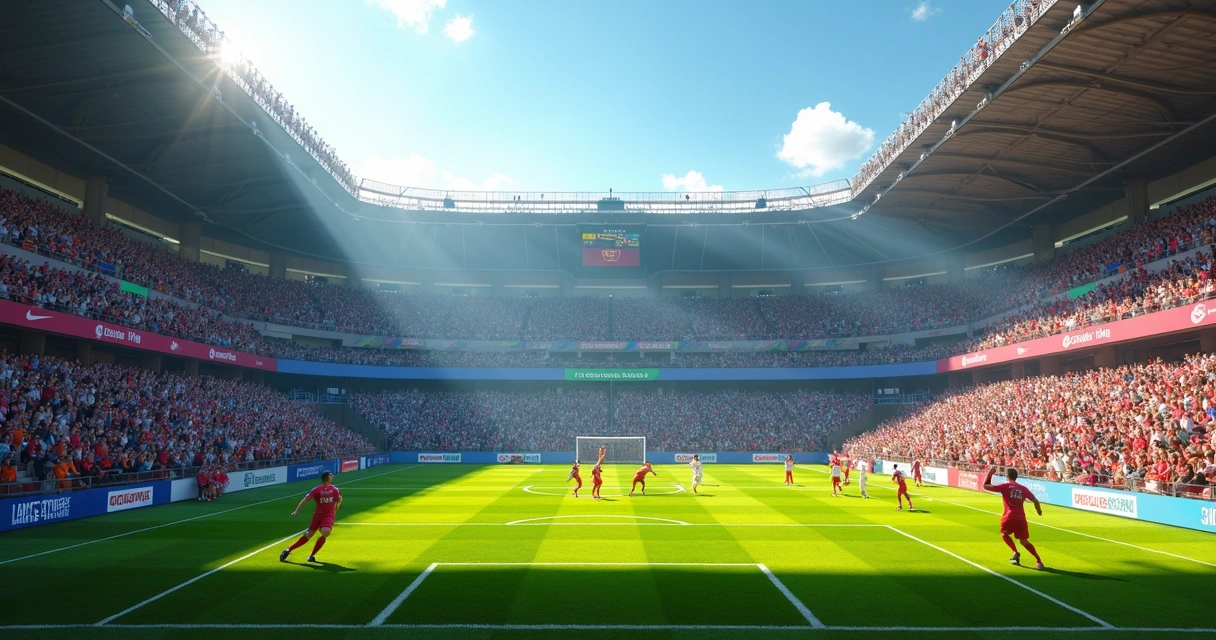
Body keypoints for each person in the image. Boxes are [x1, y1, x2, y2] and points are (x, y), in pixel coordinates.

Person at [983, 467, 1044, 569]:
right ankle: (1039, 561)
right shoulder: (1023, 488)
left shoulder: (1005, 486)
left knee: (1004, 534)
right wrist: (1039, 511)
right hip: (1021, 518)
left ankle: (1015, 552)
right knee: (1024, 541)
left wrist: (990, 474)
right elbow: (1035, 500)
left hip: (1009, 516)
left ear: (1007, 476)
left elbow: (986, 486)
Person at [281, 470, 342, 563]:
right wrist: (296, 511)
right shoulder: (317, 490)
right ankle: (288, 549)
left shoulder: (335, 490)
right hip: (317, 517)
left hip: (328, 516)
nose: (332, 476)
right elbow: (305, 500)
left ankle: (311, 555)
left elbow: (339, 501)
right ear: (328, 477)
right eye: (331, 475)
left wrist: (334, 512)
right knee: (308, 536)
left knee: (326, 532)